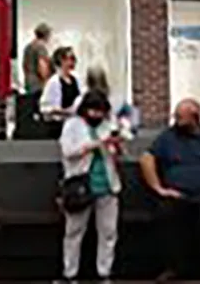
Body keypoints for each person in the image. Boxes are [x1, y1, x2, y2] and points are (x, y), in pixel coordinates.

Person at [61, 89, 122, 282]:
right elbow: (68, 151)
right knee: (74, 231)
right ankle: (70, 273)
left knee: (109, 231)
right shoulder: (72, 126)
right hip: (81, 182)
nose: (97, 115)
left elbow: (114, 153)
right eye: (94, 111)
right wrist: (94, 144)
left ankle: (105, 272)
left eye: (101, 112)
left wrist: (116, 146)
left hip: (107, 183)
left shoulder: (108, 125)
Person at [143, 98, 200, 279]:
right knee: (169, 217)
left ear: (195, 117)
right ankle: (174, 269)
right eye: (176, 117)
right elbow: (147, 159)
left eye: (181, 118)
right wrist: (158, 188)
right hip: (177, 195)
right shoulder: (168, 137)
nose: (177, 121)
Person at [42, 47, 82, 120]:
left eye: (72, 59)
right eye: (67, 59)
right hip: (60, 122)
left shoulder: (76, 78)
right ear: (60, 61)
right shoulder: (54, 82)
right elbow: (45, 108)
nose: (71, 62)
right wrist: (60, 111)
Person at [23, 23, 55, 94]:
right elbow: (42, 65)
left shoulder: (28, 47)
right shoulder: (41, 47)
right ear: (46, 35)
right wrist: (47, 81)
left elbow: (24, 65)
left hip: (29, 82)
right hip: (38, 85)